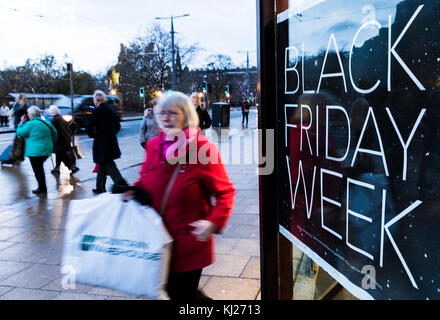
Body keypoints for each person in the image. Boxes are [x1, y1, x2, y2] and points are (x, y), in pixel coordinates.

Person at [123, 92, 235, 300]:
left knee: (183, 295)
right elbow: (146, 180)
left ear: (186, 116)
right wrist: (132, 190)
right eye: (162, 113)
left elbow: (225, 192)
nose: (165, 118)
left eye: (172, 113)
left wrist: (212, 223)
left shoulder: (202, 149)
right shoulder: (154, 145)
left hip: (187, 244)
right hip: (156, 240)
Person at [86, 90, 127, 194]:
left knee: (108, 163)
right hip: (111, 141)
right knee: (102, 164)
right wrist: (111, 134)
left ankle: (121, 185)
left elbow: (89, 126)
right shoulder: (110, 110)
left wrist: (94, 135)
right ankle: (99, 187)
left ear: (96, 100)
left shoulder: (97, 111)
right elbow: (118, 126)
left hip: (101, 142)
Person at [16, 106, 57, 194]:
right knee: (40, 168)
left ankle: (42, 188)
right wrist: (50, 144)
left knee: (37, 170)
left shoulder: (30, 124)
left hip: (34, 152)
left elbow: (20, 133)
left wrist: (21, 123)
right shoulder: (47, 122)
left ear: (31, 115)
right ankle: (42, 188)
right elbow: (55, 134)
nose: (28, 115)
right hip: (46, 150)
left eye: (28, 114)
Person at [47, 105, 79, 175]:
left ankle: (72, 167)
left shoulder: (53, 120)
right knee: (59, 155)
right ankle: (57, 168)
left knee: (61, 155)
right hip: (65, 140)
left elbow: (53, 131)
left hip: (59, 141)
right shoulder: (61, 118)